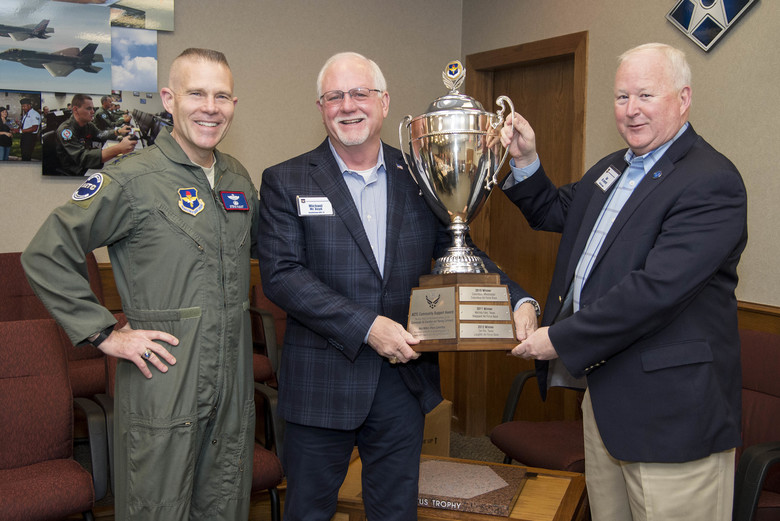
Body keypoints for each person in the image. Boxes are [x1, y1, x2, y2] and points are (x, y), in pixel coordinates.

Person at [257, 51, 539, 521]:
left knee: (395, 511)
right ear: (321, 107)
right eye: (334, 96)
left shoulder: (420, 174)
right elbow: (283, 276)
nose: (348, 105)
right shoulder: (285, 180)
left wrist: (517, 297)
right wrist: (368, 327)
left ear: (385, 103)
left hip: (401, 380)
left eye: (360, 93)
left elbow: (457, 248)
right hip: (322, 383)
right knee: (308, 511)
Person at [500, 42, 747, 520]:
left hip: (671, 416)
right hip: (606, 402)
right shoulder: (613, 167)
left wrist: (560, 338)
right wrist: (526, 159)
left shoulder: (711, 180)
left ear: (684, 98)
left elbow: (656, 291)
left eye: (646, 95)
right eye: (621, 97)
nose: (631, 109)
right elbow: (554, 210)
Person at [22, 48, 258, 520]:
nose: (210, 107)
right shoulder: (132, 179)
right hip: (164, 381)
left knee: (226, 505)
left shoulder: (237, 178)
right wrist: (105, 333)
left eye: (222, 96)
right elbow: (45, 253)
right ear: (169, 99)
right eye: (197, 94)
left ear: (234, 104)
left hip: (232, 385)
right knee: (157, 509)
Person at [53, 93, 135, 176]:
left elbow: (100, 134)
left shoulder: (88, 124)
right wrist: (119, 148)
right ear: (75, 110)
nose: (93, 111)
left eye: (92, 108)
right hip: (75, 170)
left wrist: (117, 132)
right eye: (89, 108)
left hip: (87, 164)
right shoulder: (66, 131)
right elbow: (81, 157)